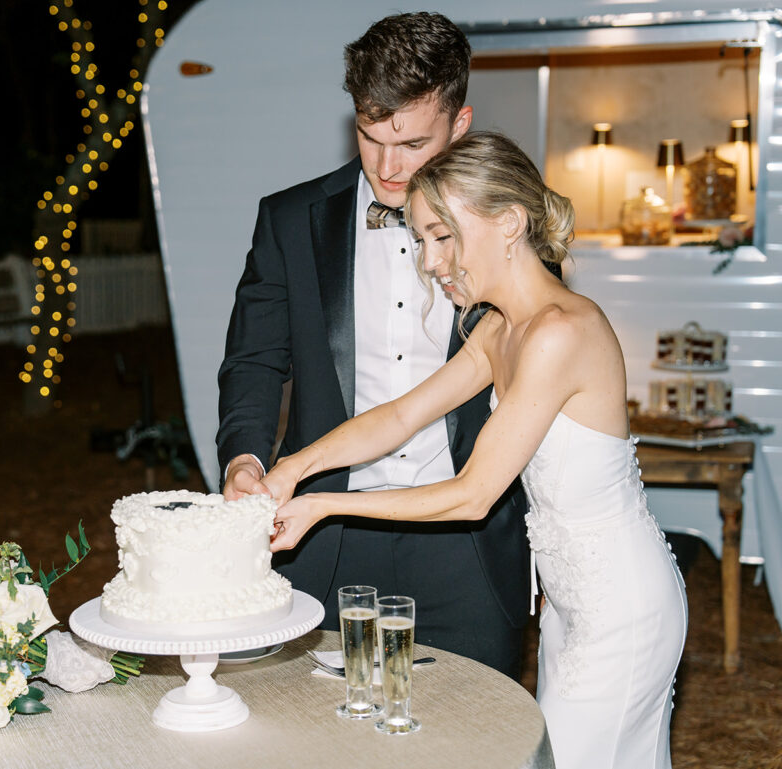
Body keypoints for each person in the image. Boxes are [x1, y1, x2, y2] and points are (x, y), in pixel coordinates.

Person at [264, 131, 688, 769]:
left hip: (621, 609)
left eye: (443, 236)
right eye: (421, 240)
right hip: (571, 603)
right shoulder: (501, 327)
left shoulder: (560, 333)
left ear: (510, 223)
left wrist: (321, 505)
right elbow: (402, 414)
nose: (431, 262)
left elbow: (472, 496)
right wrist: (292, 469)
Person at [217, 12, 530, 677]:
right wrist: (244, 458)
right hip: (323, 539)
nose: (388, 167)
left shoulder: (507, 229)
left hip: (465, 542)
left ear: (460, 125)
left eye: (412, 142)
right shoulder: (289, 220)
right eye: (369, 134)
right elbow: (254, 358)